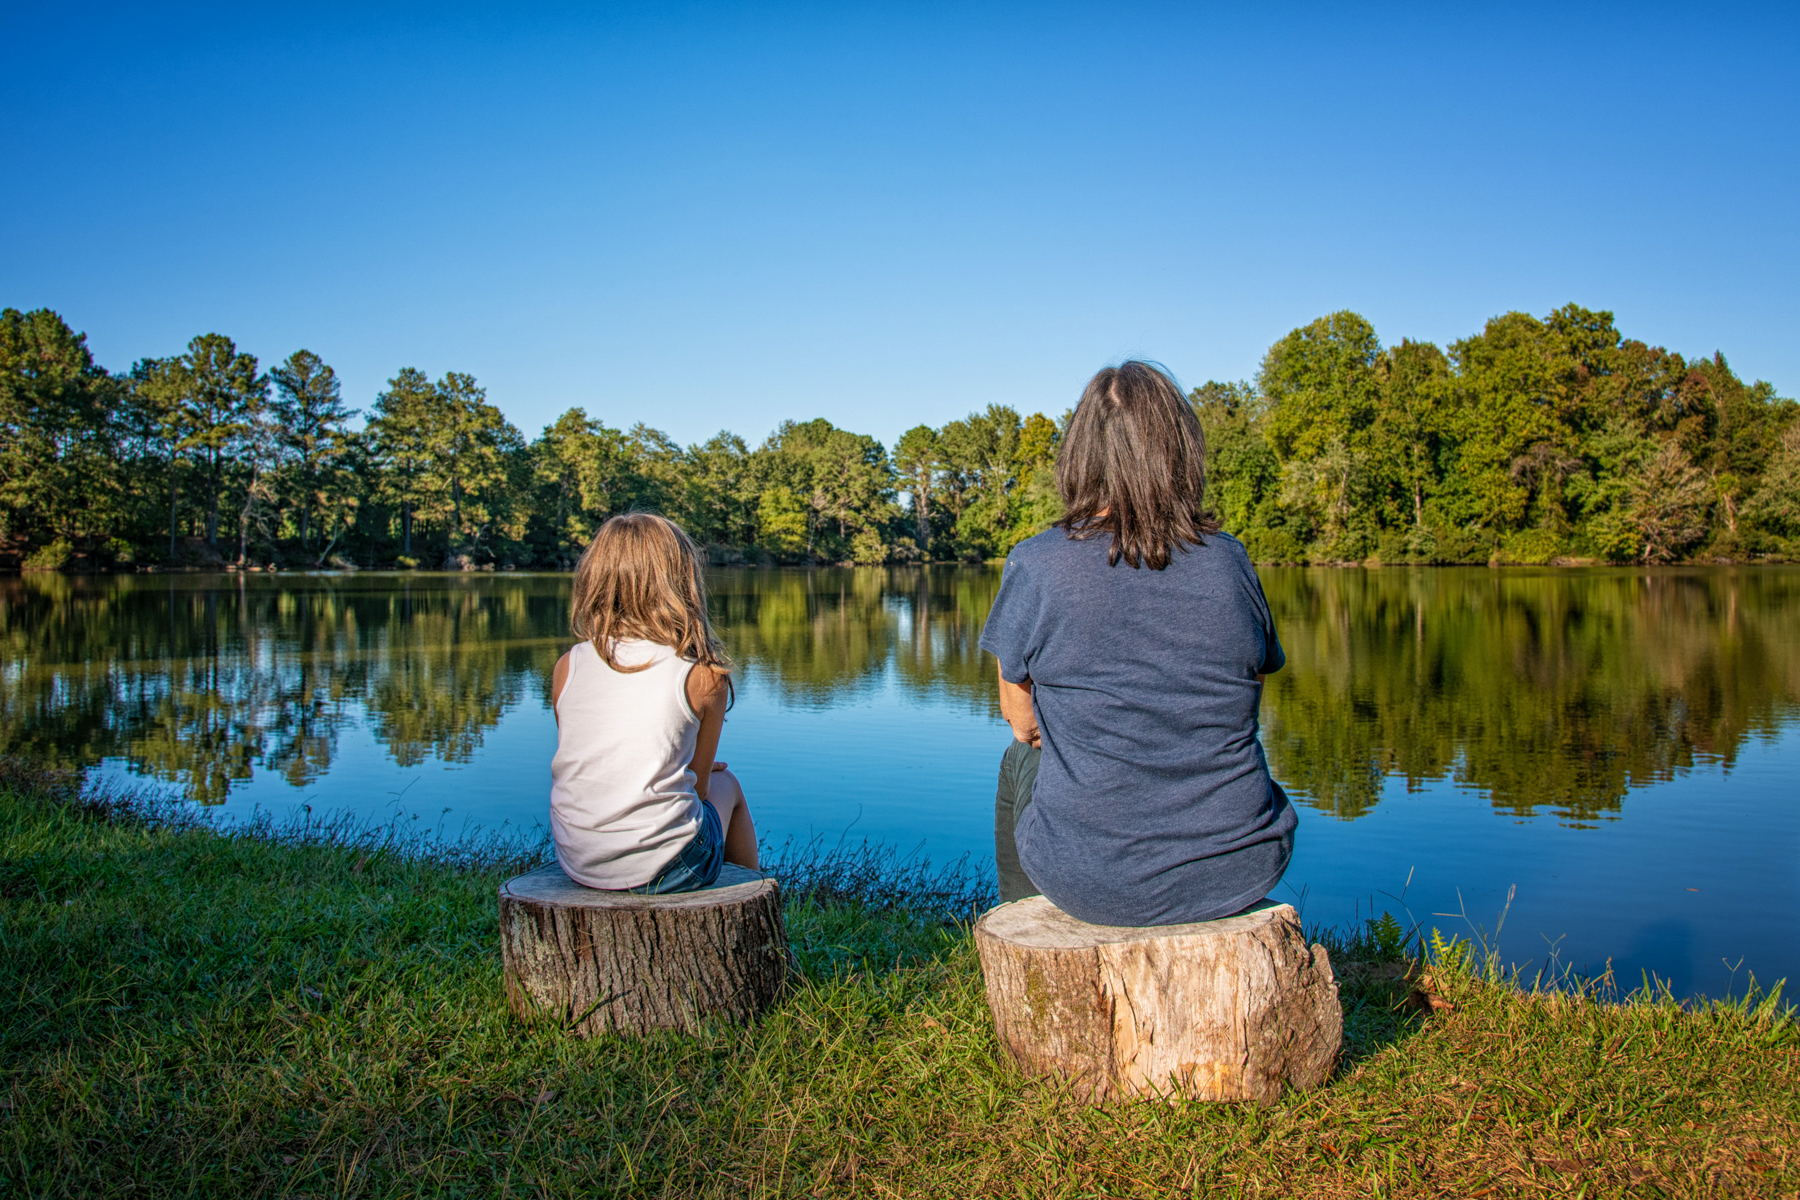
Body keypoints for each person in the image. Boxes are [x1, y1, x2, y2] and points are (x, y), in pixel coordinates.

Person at [979, 361, 1294, 927]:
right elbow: (1246, 691)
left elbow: (1022, 722)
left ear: (1079, 456)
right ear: (1179, 452)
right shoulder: (1230, 561)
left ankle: (1024, 914)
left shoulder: (1037, 563)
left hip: (1093, 881)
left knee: (1017, 761)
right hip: (1241, 862)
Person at [548, 513, 758, 893]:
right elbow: (699, 791)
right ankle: (750, 895)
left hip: (577, 858)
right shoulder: (704, 676)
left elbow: (591, 758)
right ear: (682, 583)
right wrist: (701, 771)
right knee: (727, 784)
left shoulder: (569, 665)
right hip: (668, 866)